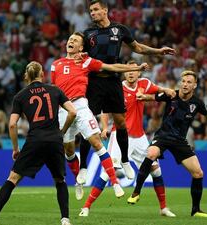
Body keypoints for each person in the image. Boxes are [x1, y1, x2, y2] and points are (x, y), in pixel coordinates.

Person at [77, 0, 176, 183]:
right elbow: (79, 54)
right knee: (87, 124)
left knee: (121, 122)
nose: (92, 13)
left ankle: (124, 160)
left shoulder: (120, 29)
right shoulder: (88, 34)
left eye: (96, 10)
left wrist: (158, 51)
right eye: (91, 10)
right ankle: (83, 166)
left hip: (114, 81)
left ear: (105, 10)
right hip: (95, 83)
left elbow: (137, 47)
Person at [51, 32, 149, 200]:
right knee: (68, 149)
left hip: (81, 106)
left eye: (75, 40)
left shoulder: (86, 61)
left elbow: (111, 67)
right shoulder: (56, 64)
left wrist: (135, 68)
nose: (71, 41)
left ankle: (115, 183)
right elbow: (54, 88)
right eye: (69, 39)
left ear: (81, 47)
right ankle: (78, 181)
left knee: (96, 142)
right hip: (63, 109)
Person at [0, 61, 77, 225]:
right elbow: (73, 112)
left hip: (35, 140)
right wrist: (62, 131)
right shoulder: (55, 90)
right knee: (59, 180)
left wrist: (16, 148)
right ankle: (65, 220)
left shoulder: (20, 96)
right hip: (54, 140)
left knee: (12, 179)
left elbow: (12, 124)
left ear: (26, 76)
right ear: (42, 74)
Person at [127, 70, 207, 218]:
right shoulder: (172, 94)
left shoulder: (197, 102)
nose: (185, 84)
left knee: (198, 173)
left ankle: (195, 210)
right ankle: (136, 191)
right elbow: (154, 97)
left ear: (195, 85)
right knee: (151, 153)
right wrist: (142, 96)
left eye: (189, 82)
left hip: (180, 141)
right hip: (163, 136)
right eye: (183, 81)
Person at [79, 60, 176, 217]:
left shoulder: (144, 83)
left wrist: (167, 90)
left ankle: (163, 208)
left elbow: (159, 90)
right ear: (124, 73)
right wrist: (104, 127)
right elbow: (105, 110)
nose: (131, 73)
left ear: (139, 72)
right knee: (107, 173)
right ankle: (86, 207)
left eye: (134, 70)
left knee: (156, 171)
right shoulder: (117, 88)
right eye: (128, 70)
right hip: (120, 136)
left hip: (140, 138)